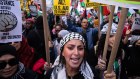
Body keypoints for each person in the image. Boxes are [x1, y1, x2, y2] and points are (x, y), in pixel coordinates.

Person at [45, 32, 116, 79]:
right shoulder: (51, 75)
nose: (76, 53)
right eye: (70, 48)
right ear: (62, 52)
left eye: (80, 48)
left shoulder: (92, 75)